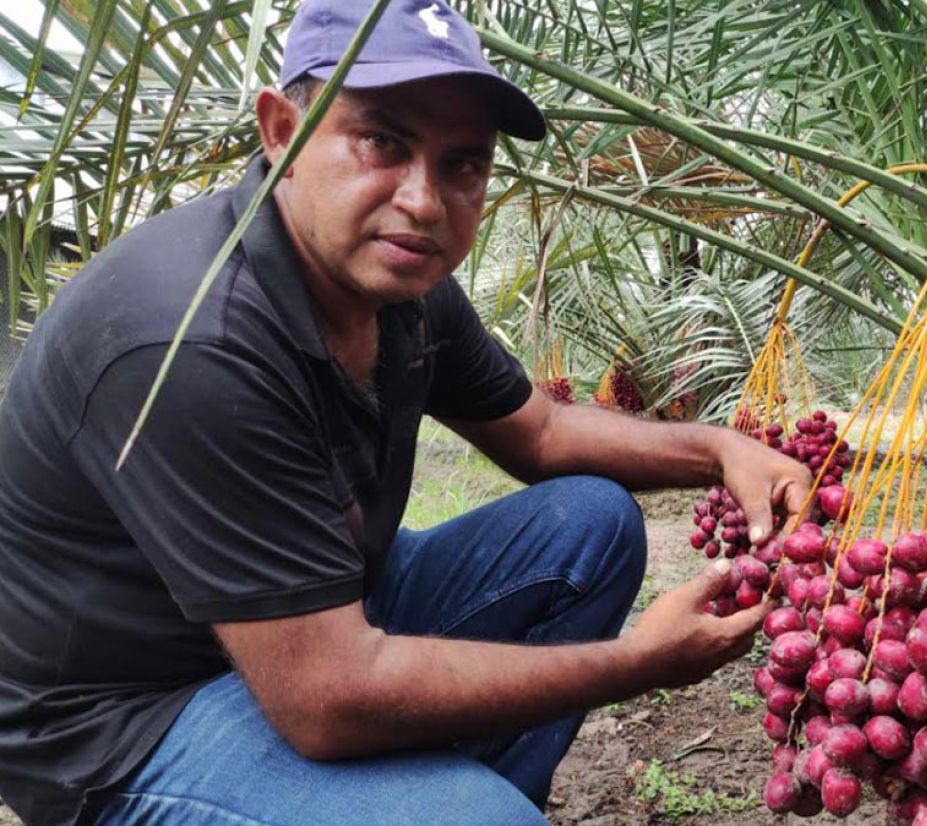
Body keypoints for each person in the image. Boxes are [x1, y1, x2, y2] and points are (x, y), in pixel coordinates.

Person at [0, 1, 811, 823]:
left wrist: (720, 449)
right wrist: (638, 661)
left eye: (462, 164)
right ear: (281, 130)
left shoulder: (400, 287)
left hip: (320, 614)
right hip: (127, 719)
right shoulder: (192, 337)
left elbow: (544, 432)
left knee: (589, 525)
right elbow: (326, 699)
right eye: (381, 142)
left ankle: (461, 794)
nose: (424, 202)